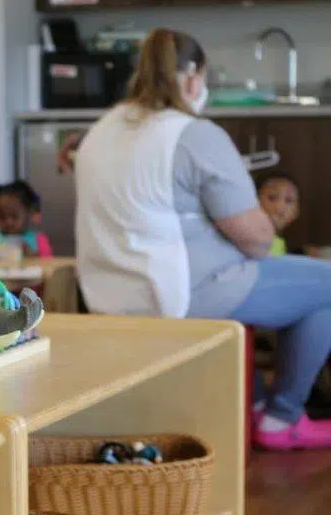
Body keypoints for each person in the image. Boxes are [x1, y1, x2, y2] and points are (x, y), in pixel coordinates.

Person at [73, 27, 331, 450]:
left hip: (109, 293)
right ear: (194, 79)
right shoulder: (193, 134)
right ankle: (282, 418)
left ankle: (252, 404)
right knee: (326, 284)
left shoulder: (101, 130)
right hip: (181, 293)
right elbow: (257, 241)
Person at [255, 171, 300, 256]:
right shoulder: (250, 240)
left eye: (289, 200)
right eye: (272, 198)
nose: (280, 206)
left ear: (296, 212)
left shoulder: (280, 244)